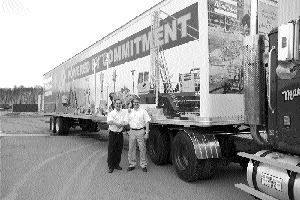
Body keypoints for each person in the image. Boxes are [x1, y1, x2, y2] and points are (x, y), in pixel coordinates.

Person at [127, 97, 151, 172]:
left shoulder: (143, 111)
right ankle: (132, 164)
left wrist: (147, 133)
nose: (136, 103)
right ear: (133, 103)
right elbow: (126, 121)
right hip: (132, 132)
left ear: (139, 103)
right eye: (135, 102)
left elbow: (147, 122)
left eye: (137, 102)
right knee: (131, 149)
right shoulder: (130, 111)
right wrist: (128, 130)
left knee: (142, 149)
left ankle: (143, 165)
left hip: (141, 131)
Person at [106, 98, 127, 173]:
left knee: (119, 150)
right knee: (111, 150)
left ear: (121, 104)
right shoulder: (111, 113)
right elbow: (108, 122)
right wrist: (116, 123)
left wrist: (122, 124)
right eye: (117, 103)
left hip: (120, 134)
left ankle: (117, 164)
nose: (118, 105)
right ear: (114, 104)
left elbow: (126, 121)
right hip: (113, 134)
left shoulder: (123, 113)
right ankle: (111, 166)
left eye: (119, 103)